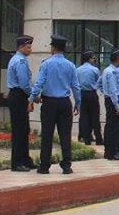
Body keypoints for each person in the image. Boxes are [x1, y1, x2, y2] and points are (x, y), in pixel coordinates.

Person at [29, 34, 81, 174]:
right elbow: (76, 86)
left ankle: (44, 166)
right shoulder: (70, 65)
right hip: (65, 103)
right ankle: (66, 165)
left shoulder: (46, 63)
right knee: (65, 135)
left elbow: (39, 83)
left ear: (53, 47)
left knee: (47, 134)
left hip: (49, 103)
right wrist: (78, 103)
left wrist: (32, 98)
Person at [6, 34, 35, 172]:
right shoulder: (20, 62)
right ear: (21, 47)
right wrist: (33, 95)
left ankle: (25, 159)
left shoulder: (18, 59)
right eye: (28, 47)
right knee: (19, 131)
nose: (30, 50)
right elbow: (24, 84)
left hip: (18, 96)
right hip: (19, 95)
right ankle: (17, 162)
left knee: (24, 130)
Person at [101, 50, 119, 161]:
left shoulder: (107, 70)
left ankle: (108, 152)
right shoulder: (112, 72)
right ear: (118, 59)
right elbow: (114, 91)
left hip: (108, 100)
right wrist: (117, 107)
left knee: (110, 127)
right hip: (113, 101)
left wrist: (105, 92)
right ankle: (112, 153)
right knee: (113, 128)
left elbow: (99, 83)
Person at [75, 50, 103, 146]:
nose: (94, 59)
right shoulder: (95, 70)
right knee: (95, 116)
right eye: (92, 58)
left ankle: (87, 139)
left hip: (82, 94)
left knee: (84, 117)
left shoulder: (78, 70)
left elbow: (76, 84)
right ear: (89, 59)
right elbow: (99, 82)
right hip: (92, 94)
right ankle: (98, 138)